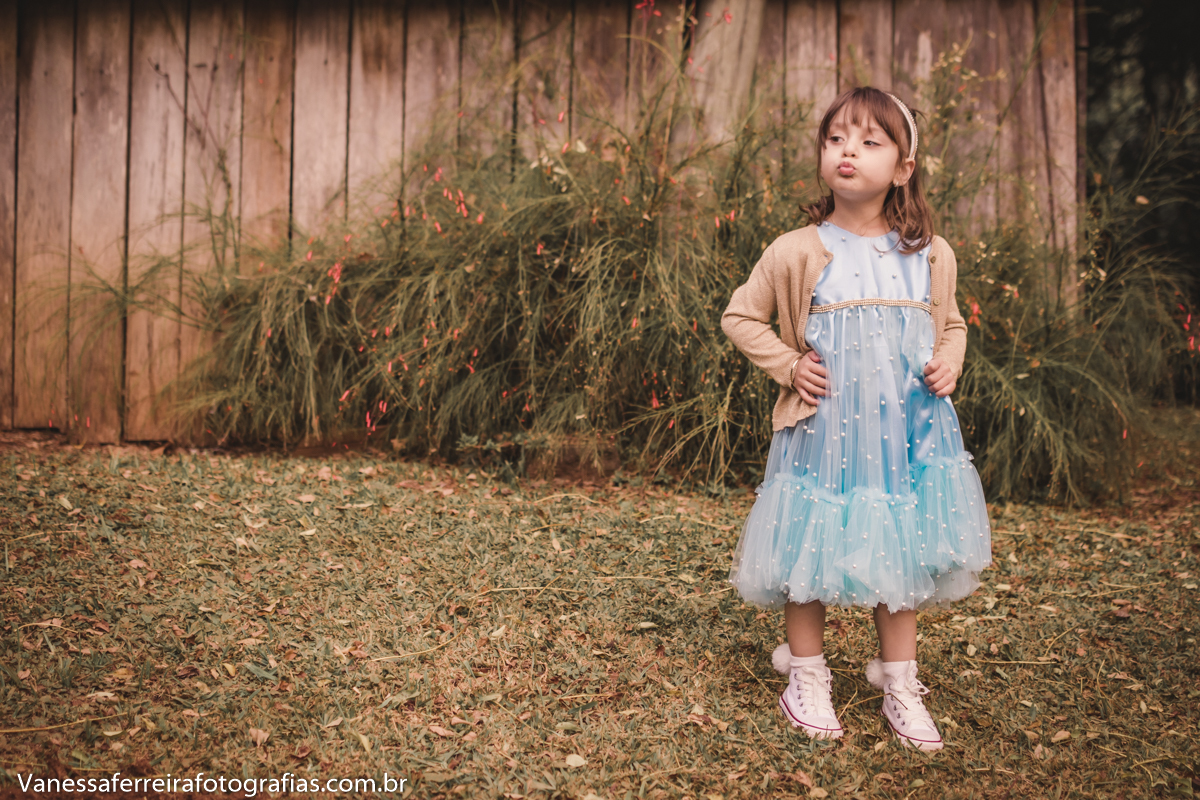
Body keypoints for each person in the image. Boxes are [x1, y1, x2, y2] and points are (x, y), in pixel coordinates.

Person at [720, 86, 991, 751]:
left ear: (903, 167)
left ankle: (897, 679)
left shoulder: (931, 255)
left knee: (899, 545)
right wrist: (789, 365)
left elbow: (949, 324)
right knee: (806, 546)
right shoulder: (797, 250)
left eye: (871, 141)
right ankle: (806, 675)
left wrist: (950, 359)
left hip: (905, 434)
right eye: (836, 138)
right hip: (823, 433)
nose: (849, 151)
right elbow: (739, 317)